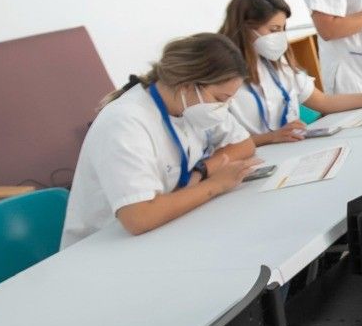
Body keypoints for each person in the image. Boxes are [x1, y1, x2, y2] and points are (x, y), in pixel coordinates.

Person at [60, 33, 260, 249]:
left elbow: (244, 144)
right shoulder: (125, 121)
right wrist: (216, 185)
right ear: (186, 85)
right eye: (221, 98)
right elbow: (139, 217)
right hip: (106, 248)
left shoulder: (193, 106)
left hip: (163, 228)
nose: (225, 106)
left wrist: (203, 170)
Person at [217, 0, 362, 145]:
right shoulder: (221, 75)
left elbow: (323, 102)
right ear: (245, 28)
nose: (280, 36)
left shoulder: (276, 64)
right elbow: (219, 145)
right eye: (273, 30)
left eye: (283, 29)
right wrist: (271, 137)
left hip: (289, 150)